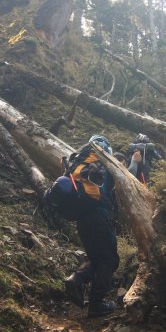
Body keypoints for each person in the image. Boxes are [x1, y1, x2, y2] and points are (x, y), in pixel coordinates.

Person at [63, 135, 120, 317]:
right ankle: (96, 305)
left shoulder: (77, 163)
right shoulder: (101, 162)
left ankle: (76, 279)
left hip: (82, 218)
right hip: (98, 216)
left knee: (96, 259)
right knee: (110, 260)